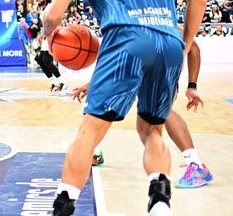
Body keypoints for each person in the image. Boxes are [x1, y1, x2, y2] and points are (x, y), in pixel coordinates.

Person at [32, 0, 206, 216]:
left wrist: (49, 38)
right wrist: (183, 44)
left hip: (126, 37)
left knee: (90, 132)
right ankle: (160, 209)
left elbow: (55, 12)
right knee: (152, 130)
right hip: (168, 41)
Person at [75, 37, 214, 188]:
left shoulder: (160, 23)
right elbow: (108, 53)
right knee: (101, 98)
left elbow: (193, 48)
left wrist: (192, 85)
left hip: (157, 67)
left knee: (163, 112)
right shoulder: (130, 22)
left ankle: (195, 165)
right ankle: (94, 152)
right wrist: (93, 83)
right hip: (135, 67)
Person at [32, 0, 66, 93]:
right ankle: (54, 83)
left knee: (46, 60)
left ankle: (62, 83)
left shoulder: (51, 9)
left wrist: (44, 35)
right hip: (47, 36)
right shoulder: (42, 10)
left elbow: (58, 24)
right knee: (40, 60)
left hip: (54, 36)